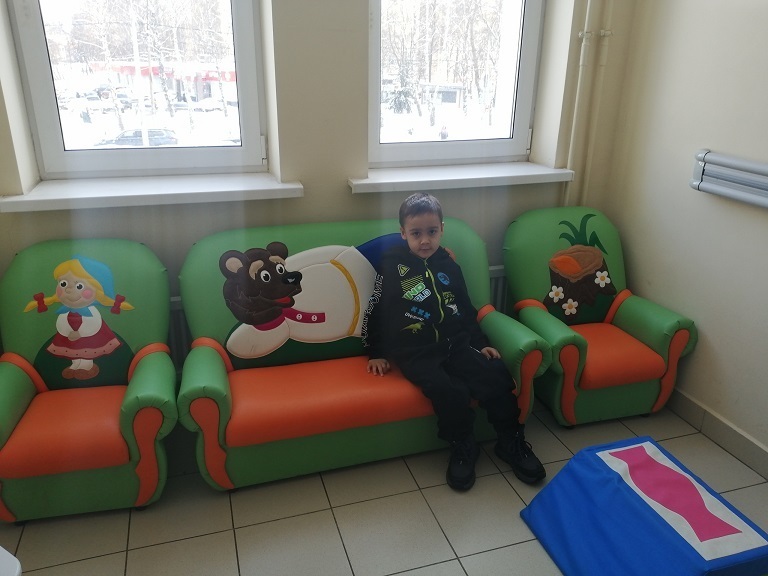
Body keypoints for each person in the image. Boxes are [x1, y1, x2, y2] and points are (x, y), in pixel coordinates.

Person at [362, 192, 545, 491]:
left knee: (496, 375)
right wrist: (376, 352)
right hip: (416, 351)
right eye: (416, 233)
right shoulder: (391, 267)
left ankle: (510, 440)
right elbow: (377, 309)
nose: (425, 241)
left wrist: (480, 342)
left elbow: (465, 307)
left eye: (432, 232)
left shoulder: (449, 265)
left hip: (457, 344)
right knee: (449, 390)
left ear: (442, 229)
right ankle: (463, 445)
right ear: (403, 233)